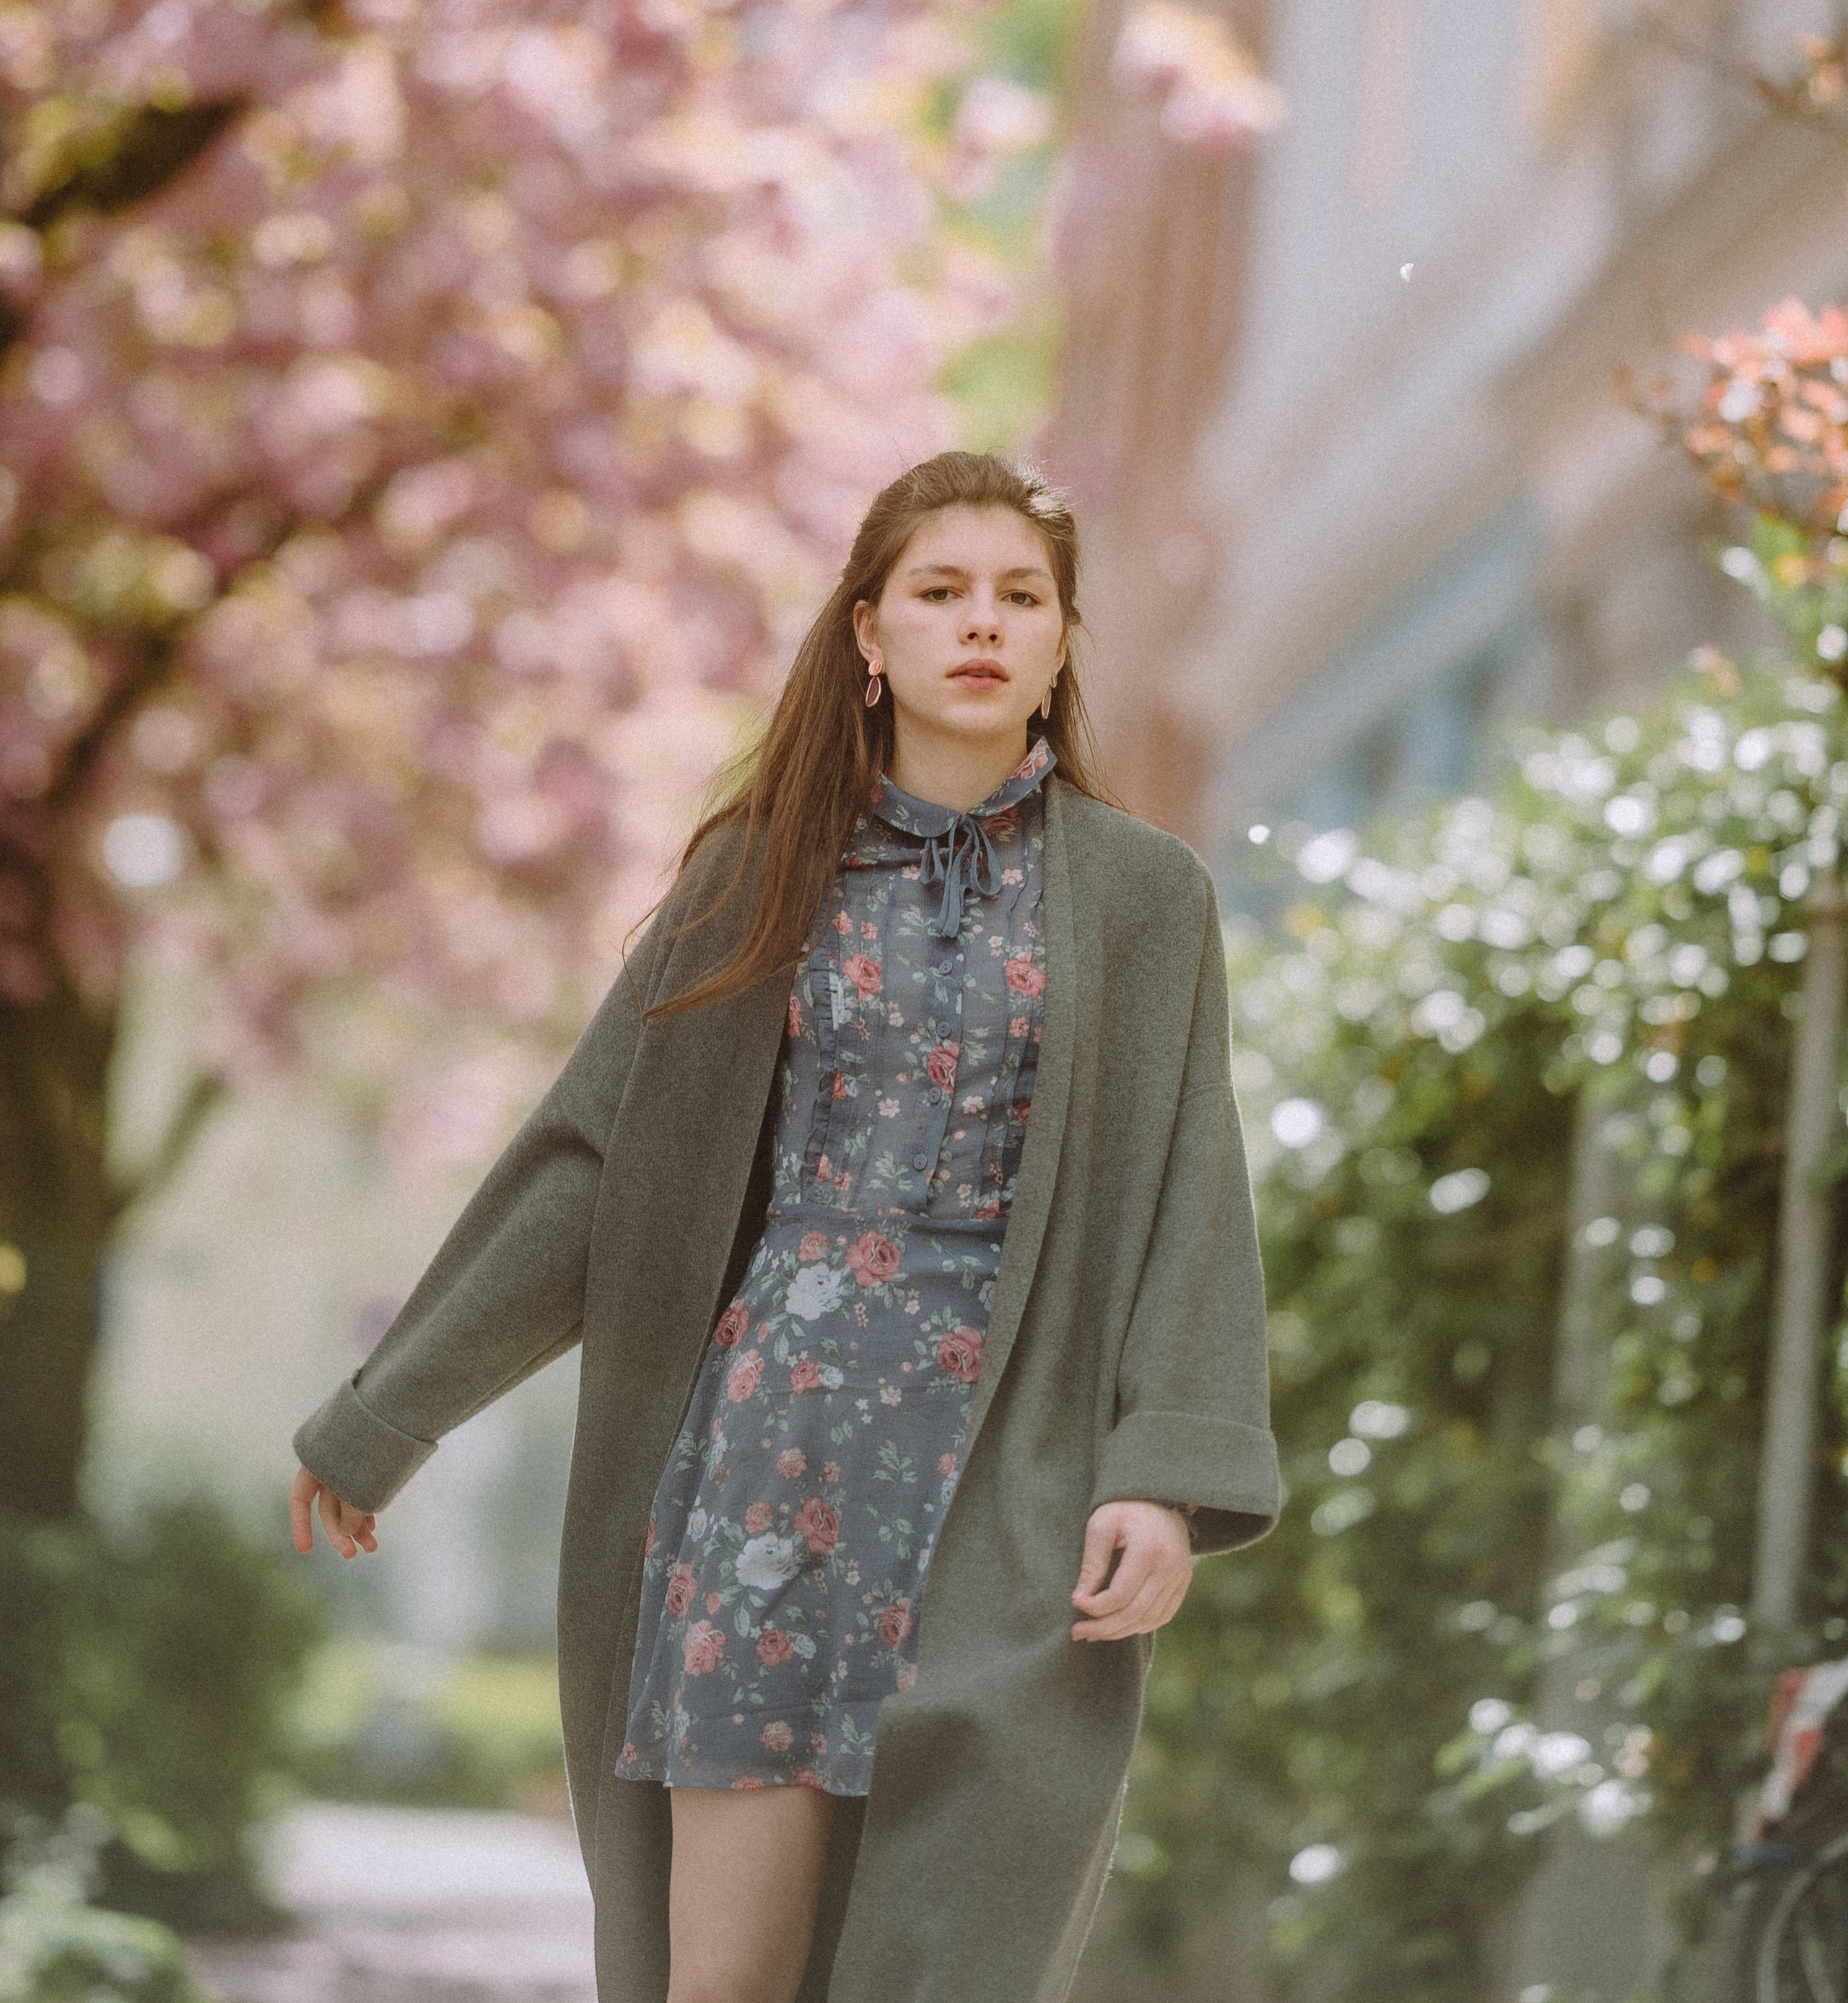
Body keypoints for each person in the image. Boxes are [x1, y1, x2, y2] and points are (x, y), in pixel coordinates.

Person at [290, 449, 1279, 2003]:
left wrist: (1162, 1475)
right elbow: (586, 1170)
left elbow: (1187, 1192)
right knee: (726, 1984)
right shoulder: (754, 876)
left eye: (1022, 597)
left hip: (1003, 1480)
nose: (982, 623)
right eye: (939, 591)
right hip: (769, 1462)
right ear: (867, 637)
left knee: (951, 1959)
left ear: (1064, 639)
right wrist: (386, 1412)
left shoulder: (1147, 901)